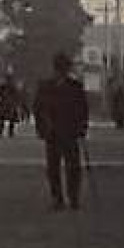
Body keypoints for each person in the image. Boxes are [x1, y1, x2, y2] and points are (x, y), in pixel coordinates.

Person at [35, 52, 90, 211]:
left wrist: (82, 127)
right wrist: (42, 128)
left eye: (64, 68)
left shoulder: (75, 87)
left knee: (73, 166)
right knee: (53, 168)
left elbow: (82, 109)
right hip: (52, 132)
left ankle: (73, 197)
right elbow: (38, 109)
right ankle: (58, 197)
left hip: (70, 132)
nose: (62, 72)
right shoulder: (46, 87)